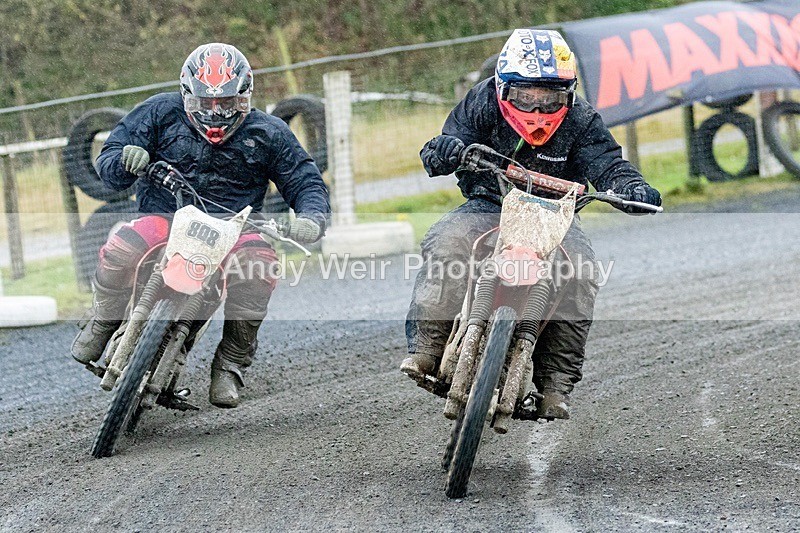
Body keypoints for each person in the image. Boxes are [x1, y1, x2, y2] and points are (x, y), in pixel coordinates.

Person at [401, 29, 661, 420]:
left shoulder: (583, 120)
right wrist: (445, 150)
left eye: (550, 98)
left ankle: (556, 385)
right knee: (446, 241)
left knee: (581, 270)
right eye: (526, 97)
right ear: (504, 89)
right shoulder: (481, 102)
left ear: (568, 95)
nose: (538, 108)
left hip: (553, 217)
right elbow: (445, 145)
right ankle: (427, 348)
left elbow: (609, 165)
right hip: (488, 203)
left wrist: (632, 188)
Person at [71, 43, 330, 408]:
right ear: (186, 95)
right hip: (165, 214)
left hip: (235, 226)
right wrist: (126, 159)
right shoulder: (159, 112)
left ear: (245, 97)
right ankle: (102, 320)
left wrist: (311, 218)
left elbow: (305, 182)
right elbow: (111, 161)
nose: (215, 113)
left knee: (259, 268)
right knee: (123, 246)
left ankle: (230, 363)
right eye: (205, 103)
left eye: (227, 103)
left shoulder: (269, 132)